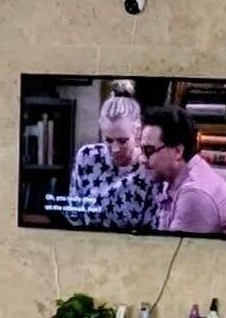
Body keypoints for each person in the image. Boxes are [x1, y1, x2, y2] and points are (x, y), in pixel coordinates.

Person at [143, 105, 226, 237]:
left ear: (178, 151)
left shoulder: (194, 194)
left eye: (148, 151)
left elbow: (172, 254)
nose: (142, 159)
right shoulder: (176, 179)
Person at [60, 88, 156, 230]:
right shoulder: (87, 157)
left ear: (138, 132)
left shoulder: (149, 167)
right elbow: (74, 213)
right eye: (108, 140)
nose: (115, 148)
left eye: (122, 141)